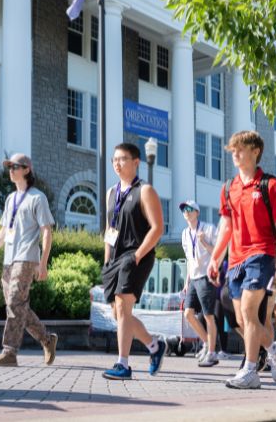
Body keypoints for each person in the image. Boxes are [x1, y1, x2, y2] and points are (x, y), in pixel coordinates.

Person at [207, 130, 276, 389]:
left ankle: (251, 370)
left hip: (262, 254)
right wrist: (214, 257)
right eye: (233, 149)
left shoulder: (271, 185)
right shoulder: (228, 188)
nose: (235, 154)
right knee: (244, 321)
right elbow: (226, 227)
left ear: (255, 151)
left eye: (240, 149)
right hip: (235, 260)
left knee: (249, 311)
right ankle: (274, 348)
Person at [0, 153, 58, 367]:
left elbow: (47, 232)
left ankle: (9, 352)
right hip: (8, 259)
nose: (11, 170)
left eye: (15, 166)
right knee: (17, 306)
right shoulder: (10, 198)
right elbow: (5, 230)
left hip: (26, 258)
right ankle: (46, 339)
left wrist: (43, 263)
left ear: (26, 170)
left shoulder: (37, 198)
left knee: (15, 302)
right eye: (9, 167)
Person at [100, 143, 166, 380]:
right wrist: (107, 260)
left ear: (136, 162)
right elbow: (110, 228)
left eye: (122, 159)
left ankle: (123, 364)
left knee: (123, 305)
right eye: (114, 159)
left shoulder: (145, 190)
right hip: (115, 259)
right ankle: (155, 347)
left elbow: (158, 228)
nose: (117, 164)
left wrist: (138, 255)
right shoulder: (111, 192)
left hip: (137, 255)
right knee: (119, 314)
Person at [178, 200, 220, 367]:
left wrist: (204, 242)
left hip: (206, 276)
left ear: (197, 212)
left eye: (189, 209)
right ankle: (207, 343)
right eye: (184, 210)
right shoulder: (184, 234)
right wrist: (186, 282)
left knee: (209, 315)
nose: (186, 212)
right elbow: (189, 259)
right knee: (188, 313)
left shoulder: (208, 229)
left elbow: (218, 253)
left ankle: (211, 352)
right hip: (194, 279)